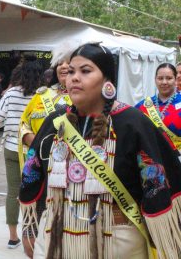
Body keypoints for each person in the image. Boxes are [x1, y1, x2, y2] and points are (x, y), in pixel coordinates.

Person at [20, 43, 181, 258]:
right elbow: (32, 175)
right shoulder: (55, 122)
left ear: (108, 81)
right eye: (71, 72)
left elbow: (157, 186)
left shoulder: (132, 124)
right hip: (54, 237)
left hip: (117, 241)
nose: (74, 78)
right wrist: (30, 228)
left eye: (85, 71)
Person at [18, 43, 75, 257]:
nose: (64, 67)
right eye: (60, 63)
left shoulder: (81, 99)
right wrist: (31, 139)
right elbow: (23, 123)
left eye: (69, 64)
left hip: (69, 173)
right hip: (39, 168)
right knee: (32, 227)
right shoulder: (40, 96)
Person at [0, 55, 46, 250]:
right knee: (36, 191)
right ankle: (32, 235)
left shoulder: (11, 93)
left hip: (11, 148)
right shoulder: (43, 96)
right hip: (34, 150)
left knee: (13, 191)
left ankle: (13, 237)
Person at [135, 63, 181, 151]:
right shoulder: (143, 105)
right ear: (155, 80)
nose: (164, 82)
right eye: (160, 78)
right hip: (149, 160)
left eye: (169, 78)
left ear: (175, 80)